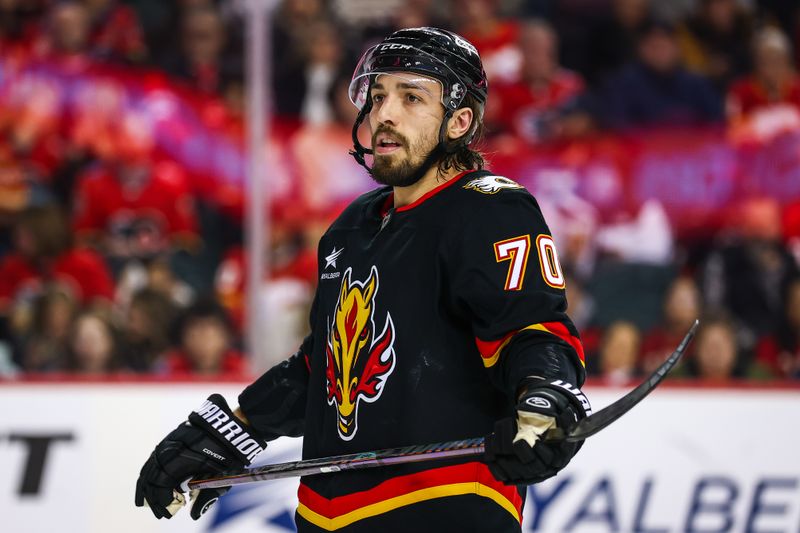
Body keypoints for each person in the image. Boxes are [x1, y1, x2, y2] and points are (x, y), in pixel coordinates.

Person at [135, 27, 589, 532]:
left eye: (411, 97)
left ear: (459, 121)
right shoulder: (350, 228)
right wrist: (231, 430)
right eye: (377, 98)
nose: (384, 114)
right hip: (329, 514)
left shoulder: (489, 207)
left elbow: (531, 329)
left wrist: (545, 396)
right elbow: (323, 366)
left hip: (442, 505)